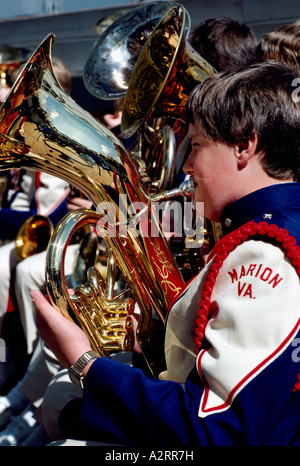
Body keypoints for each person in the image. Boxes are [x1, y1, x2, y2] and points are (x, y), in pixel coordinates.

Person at [31, 60, 300, 446]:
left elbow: (216, 429)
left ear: (244, 146)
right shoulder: (271, 230)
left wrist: (84, 360)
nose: (188, 166)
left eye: (199, 146)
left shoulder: (265, 254)